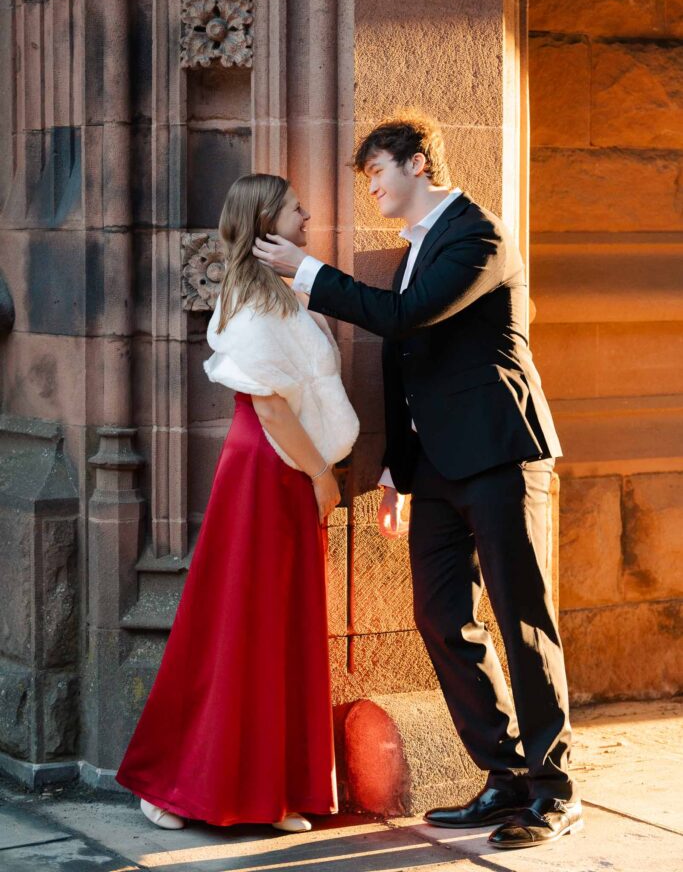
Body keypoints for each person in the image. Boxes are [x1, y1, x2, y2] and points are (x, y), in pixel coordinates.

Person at [252, 112, 582, 850]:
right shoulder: (417, 248)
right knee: (440, 619)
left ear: (418, 164)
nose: (369, 187)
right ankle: (503, 777)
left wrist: (303, 271)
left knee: (522, 622)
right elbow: (408, 372)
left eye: (376, 171)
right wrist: (399, 472)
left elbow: (404, 320)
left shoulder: (479, 235)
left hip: (500, 456)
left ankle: (554, 791)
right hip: (435, 469)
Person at [116, 174, 359, 832]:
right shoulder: (252, 307)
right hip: (265, 470)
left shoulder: (280, 297)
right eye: (294, 208)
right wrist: (323, 478)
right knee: (233, 624)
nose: (307, 216)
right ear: (266, 224)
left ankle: (272, 789)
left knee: (280, 628)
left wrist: (312, 473)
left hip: (284, 470)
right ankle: (171, 786)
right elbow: (272, 407)